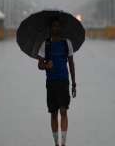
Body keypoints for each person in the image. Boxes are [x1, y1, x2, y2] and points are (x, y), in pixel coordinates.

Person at [37, 17, 77, 146]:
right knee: (53, 113)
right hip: (51, 83)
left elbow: (71, 63)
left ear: (61, 28)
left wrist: (74, 83)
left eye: (58, 26)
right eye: (53, 26)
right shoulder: (45, 44)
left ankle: (63, 143)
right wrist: (46, 65)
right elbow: (39, 65)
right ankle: (56, 143)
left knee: (64, 111)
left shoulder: (67, 43)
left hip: (64, 81)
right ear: (50, 28)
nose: (56, 28)